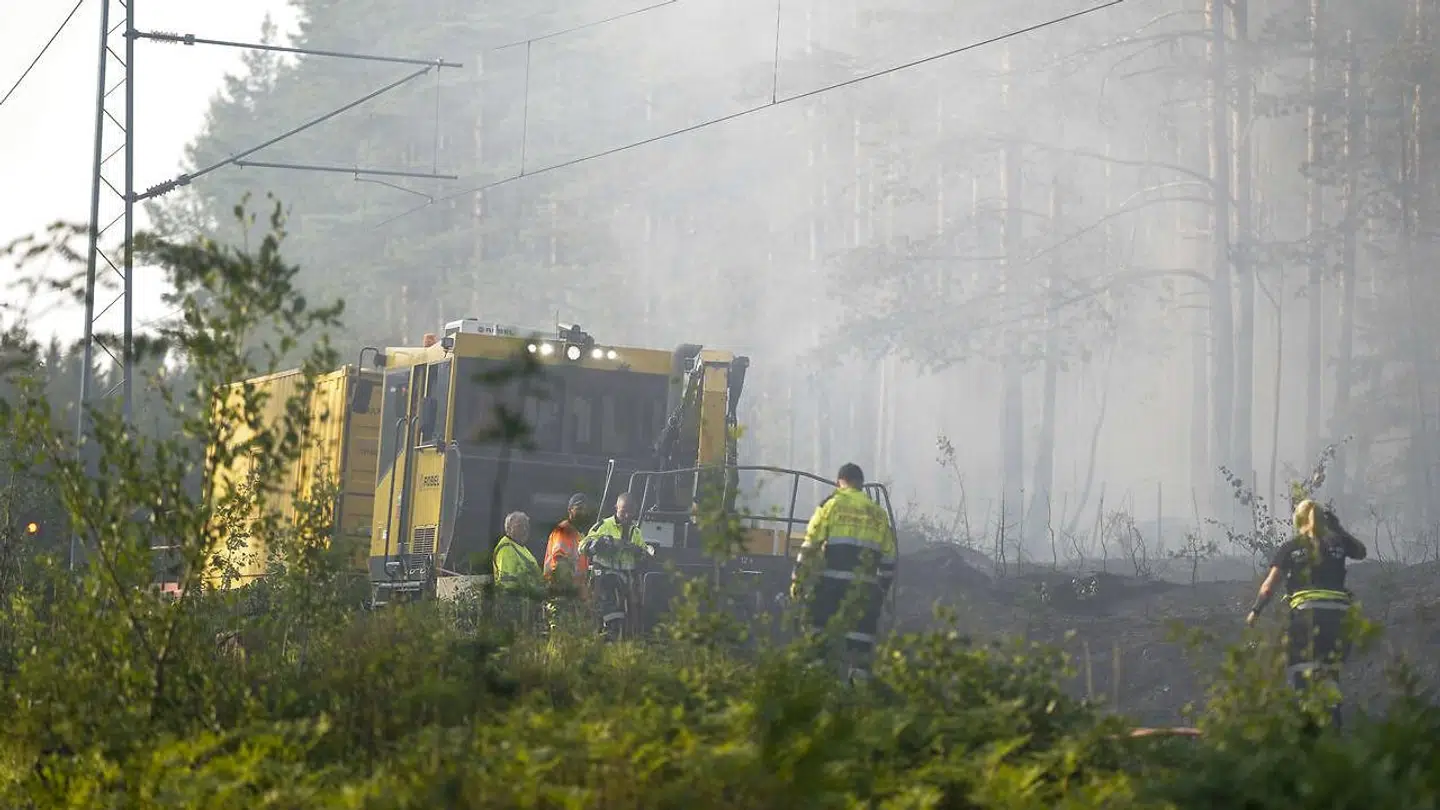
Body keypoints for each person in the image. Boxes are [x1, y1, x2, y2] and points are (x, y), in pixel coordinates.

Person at [1246, 498, 1367, 727]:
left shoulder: (1291, 548)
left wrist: (1255, 611)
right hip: (1339, 621)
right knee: (1329, 674)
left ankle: (1307, 734)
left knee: (1302, 673)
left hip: (1306, 620)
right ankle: (1334, 728)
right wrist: (1338, 528)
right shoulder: (1338, 544)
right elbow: (1360, 551)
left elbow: (1269, 586)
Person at [790, 463, 897, 682]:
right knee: (860, 651)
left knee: (818, 638)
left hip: (830, 589)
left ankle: (815, 691)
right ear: (861, 484)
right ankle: (858, 705)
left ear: (840, 482)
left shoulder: (831, 505)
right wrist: (880, 591)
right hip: (864, 591)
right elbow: (889, 560)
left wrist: (797, 580)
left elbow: (810, 545)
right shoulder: (878, 514)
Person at [578, 492, 652, 640]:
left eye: (630, 511)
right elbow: (582, 547)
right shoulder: (603, 526)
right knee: (610, 611)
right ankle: (609, 634)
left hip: (625, 579)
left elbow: (645, 553)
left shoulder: (635, 532)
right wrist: (599, 544)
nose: (626, 515)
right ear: (616, 508)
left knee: (633, 614)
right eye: (623, 511)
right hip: (604, 576)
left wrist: (642, 552)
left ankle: (623, 640)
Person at [542, 493, 594, 634]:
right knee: (560, 634)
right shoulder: (564, 531)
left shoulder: (578, 534)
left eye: (585, 509)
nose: (583, 512)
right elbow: (560, 564)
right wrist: (573, 591)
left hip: (573, 594)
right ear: (570, 510)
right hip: (563, 594)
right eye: (579, 508)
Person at [491, 511, 543, 627]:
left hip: (527, 604)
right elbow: (508, 584)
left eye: (526, 526)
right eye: (519, 526)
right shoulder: (507, 548)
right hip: (515, 606)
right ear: (508, 529)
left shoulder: (520, 547)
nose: (524, 529)